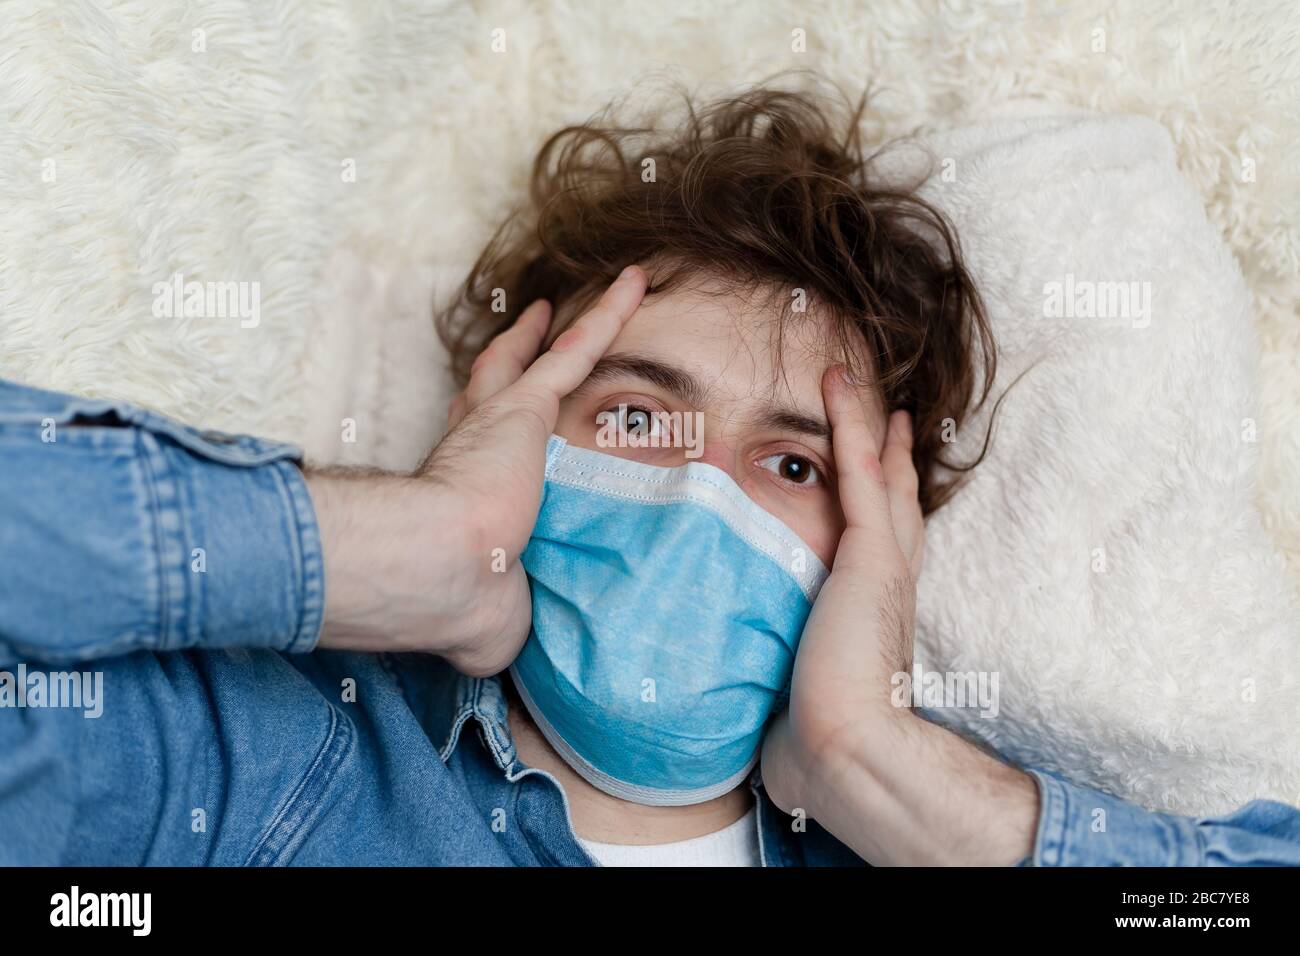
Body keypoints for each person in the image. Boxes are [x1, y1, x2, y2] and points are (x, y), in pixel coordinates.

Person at [1, 88, 1297, 866]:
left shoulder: (923, 839)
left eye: (791, 459)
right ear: (505, 427)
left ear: (878, 549)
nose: (699, 493)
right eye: (635, 421)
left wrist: (881, 773)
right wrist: (409, 552)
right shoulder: (281, 765)